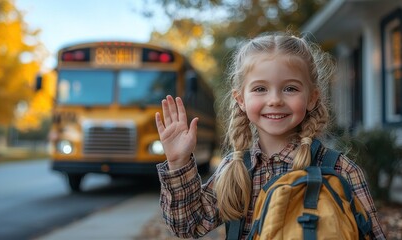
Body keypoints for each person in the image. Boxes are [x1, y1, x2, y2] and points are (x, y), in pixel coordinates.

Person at [155, 32, 385, 239]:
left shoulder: (340, 170)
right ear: (241, 100)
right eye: (260, 89)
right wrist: (178, 162)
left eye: (290, 88)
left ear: (312, 97)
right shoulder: (234, 170)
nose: (275, 100)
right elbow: (188, 227)